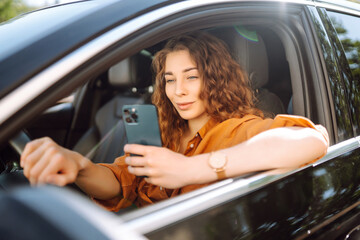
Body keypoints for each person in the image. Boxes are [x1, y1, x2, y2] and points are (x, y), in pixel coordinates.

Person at [20, 31, 329, 212]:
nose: (178, 91)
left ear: (215, 80)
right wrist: (79, 165)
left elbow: (312, 140)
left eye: (191, 77)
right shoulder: (165, 133)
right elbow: (120, 182)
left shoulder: (237, 129)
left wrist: (192, 168)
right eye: (169, 80)